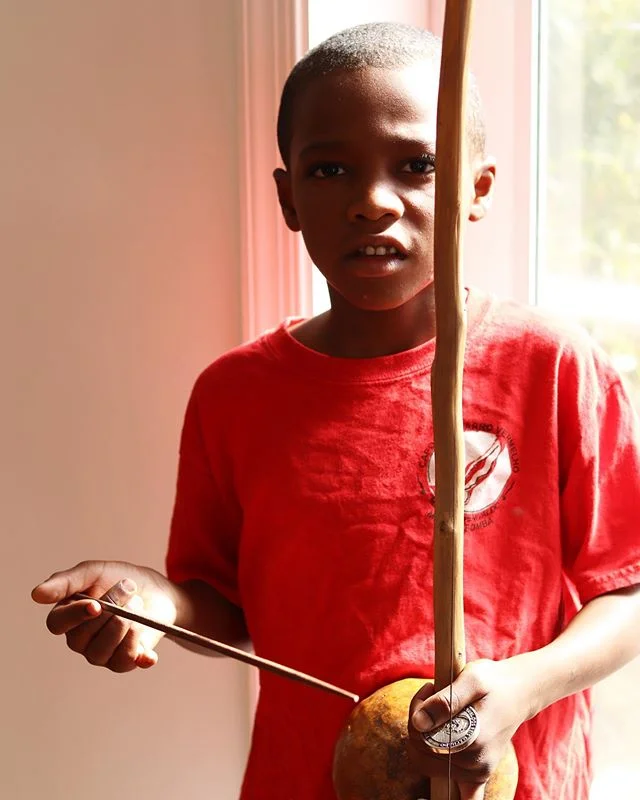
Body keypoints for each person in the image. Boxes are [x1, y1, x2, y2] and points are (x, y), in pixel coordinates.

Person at [31, 21, 640, 800]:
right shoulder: (235, 396)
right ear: (288, 197)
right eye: (329, 170)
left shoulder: (550, 366)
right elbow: (223, 607)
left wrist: (525, 686)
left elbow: (626, 590)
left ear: (478, 189)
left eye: (418, 166)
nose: (372, 202)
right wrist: (156, 604)